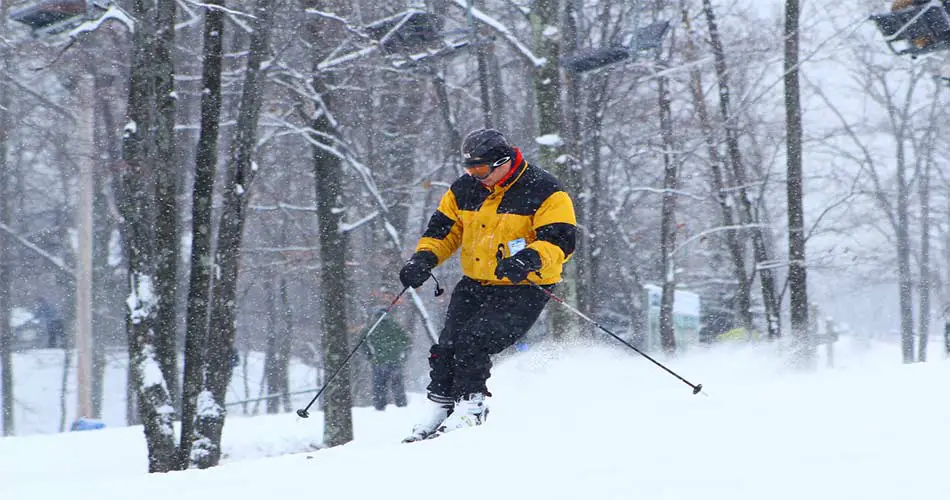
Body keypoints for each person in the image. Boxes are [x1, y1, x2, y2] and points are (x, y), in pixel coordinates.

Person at [398, 128, 576, 442]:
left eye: (482, 170)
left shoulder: (545, 190)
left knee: (474, 340)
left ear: (505, 161)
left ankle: (471, 406)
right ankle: (440, 405)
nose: (477, 177)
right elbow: (444, 230)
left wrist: (529, 258)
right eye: (471, 170)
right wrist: (423, 259)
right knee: (447, 344)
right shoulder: (465, 189)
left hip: (522, 286)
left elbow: (559, 241)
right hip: (476, 282)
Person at [363, 307, 411, 411]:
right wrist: (400, 352)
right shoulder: (395, 325)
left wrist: (369, 354)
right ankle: (402, 406)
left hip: (379, 361)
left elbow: (362, 340)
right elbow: (407, 339)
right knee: (397, 385)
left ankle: (379, 407)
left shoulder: (373, 326)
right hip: (395, 361)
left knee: (379, 386)